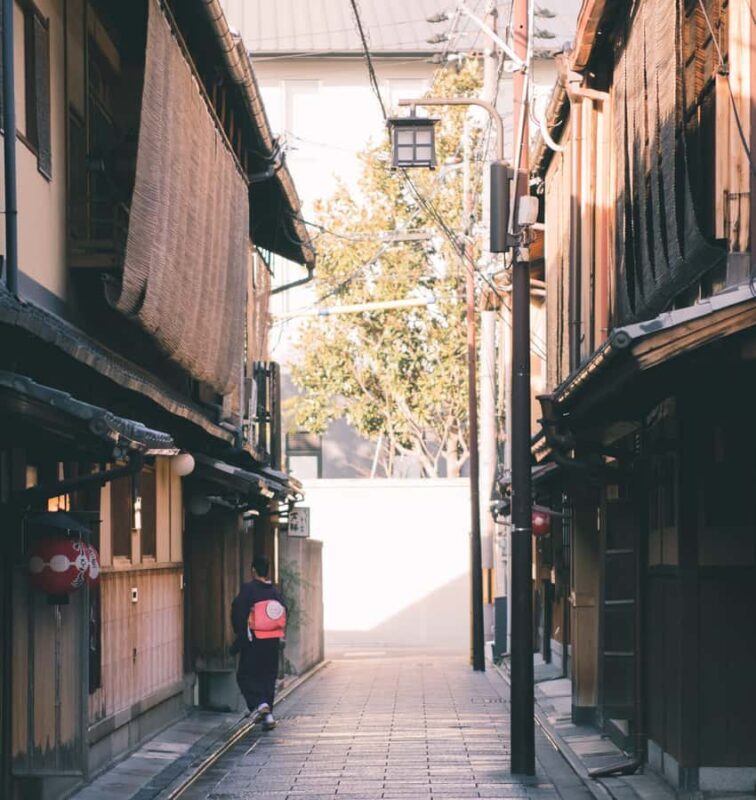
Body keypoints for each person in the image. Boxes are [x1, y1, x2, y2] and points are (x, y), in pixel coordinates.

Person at [230, 554, 286, 730]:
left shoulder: (248, 589)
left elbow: (237, 611)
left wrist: (239, 636)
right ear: (267, 571)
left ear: (253, 570)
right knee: (268, 677)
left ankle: (260, 704)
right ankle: (268, 716)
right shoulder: (275, 592)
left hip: (254, 639)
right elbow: (283, 612)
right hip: (273, 640)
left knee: (245, 675)